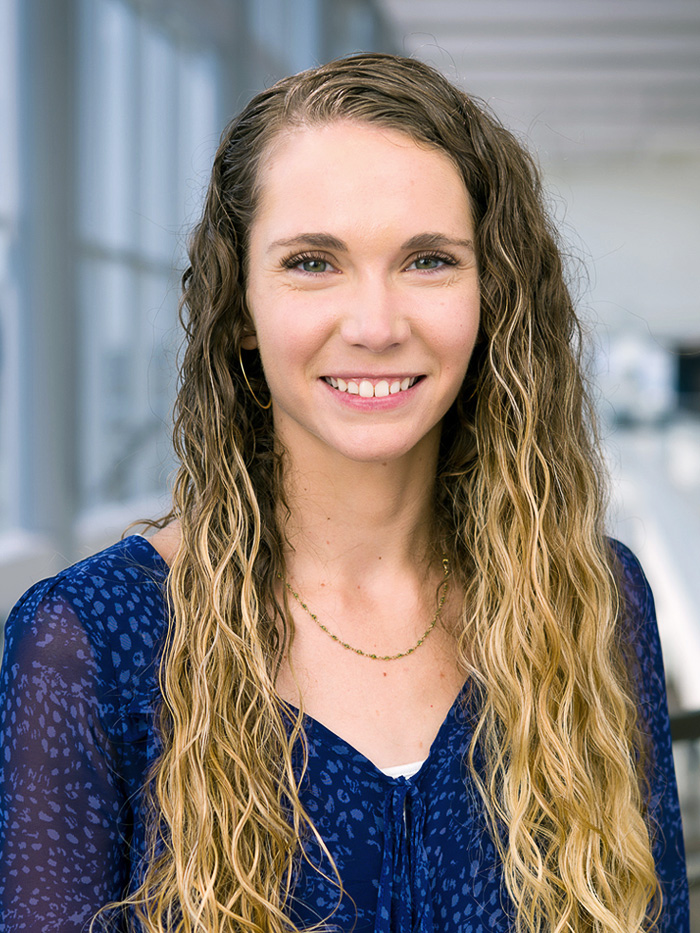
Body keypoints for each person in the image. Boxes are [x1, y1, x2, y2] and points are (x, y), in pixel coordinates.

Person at [0, 53, 689, 933]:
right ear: (241, 307)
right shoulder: (90, 639)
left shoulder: (594, 600)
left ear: (492, 296)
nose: (374, 324)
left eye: (429, 260)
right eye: (314, 262)